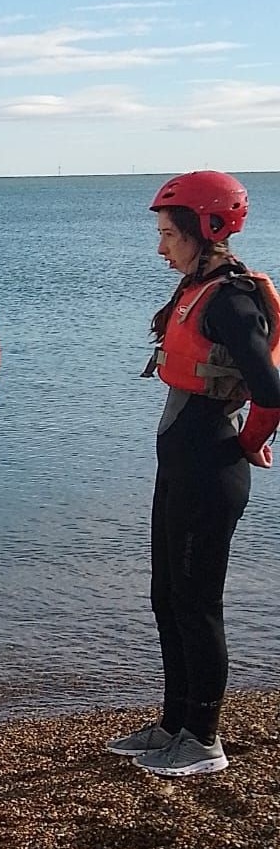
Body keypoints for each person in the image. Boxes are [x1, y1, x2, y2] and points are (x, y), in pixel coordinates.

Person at [106, 171, 280, 776]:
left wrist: (250, 442)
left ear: (207, 230)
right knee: (166, 597)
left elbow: (272, 389)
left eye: (168, 235)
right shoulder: (196, 289)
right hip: (183, 466)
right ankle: (174, 722)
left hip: (210, 467)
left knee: (197, 603)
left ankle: (204, 739)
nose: (161, 247)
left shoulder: (231, 300)